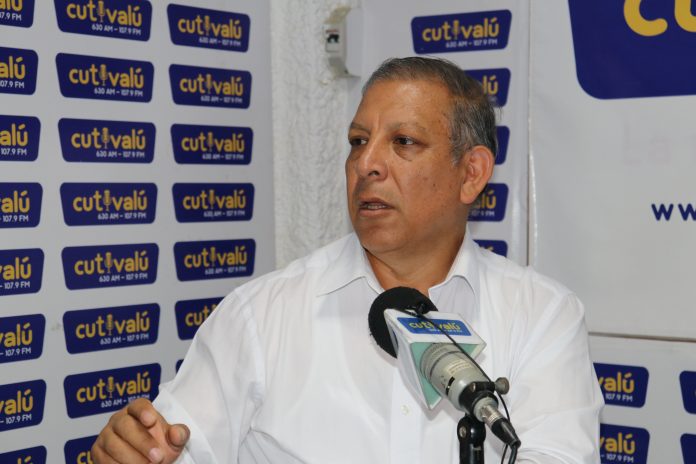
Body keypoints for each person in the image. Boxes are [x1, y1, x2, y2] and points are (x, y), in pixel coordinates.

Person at [92, 57, 603, 463]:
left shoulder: (542, 316)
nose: (366, 163)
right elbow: (172, 447)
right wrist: (135, 452)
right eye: (358, 141)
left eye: (403, 142)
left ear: (471, 173)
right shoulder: (259, 315)